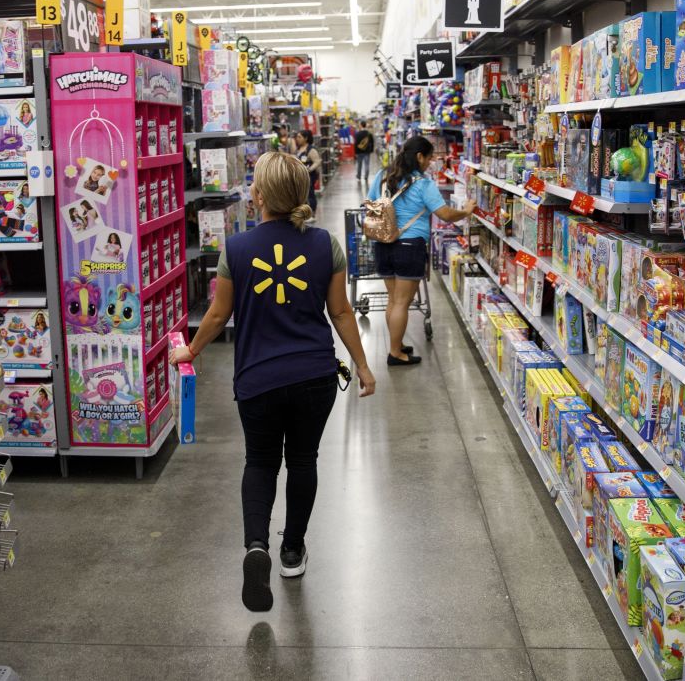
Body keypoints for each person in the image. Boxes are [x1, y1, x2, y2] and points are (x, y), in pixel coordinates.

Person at [170, 152, 375, 613]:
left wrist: (191, 351)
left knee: (260, 462)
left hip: (257, 379)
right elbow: (341, 312)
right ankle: (292, 552)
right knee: (303, 461)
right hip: (314, 377)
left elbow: (218, 314)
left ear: (259, 195)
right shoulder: (325, 245)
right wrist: (362, 365)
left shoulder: (237, 249)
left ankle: (256, 545)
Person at [368, 135, 475, 366]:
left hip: (382, 244)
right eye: (429, 158)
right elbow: (445, 214)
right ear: (419, 157)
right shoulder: (423, 184)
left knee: (393, 300)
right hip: (409, 247)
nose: (430, 163)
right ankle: (395, 353)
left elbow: (370, 203)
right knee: (401, 303)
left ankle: (396, 344)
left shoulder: (383, 176)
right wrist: (466, 211)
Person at [294, 129, 321, 216]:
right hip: (300, 176)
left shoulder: (311, 150)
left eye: (299, 137)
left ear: (305, 138)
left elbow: (317, 161)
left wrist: (309, 169)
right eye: (297, 137)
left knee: (310, 194)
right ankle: (305, 213)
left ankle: (312, 213)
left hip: (309, 176)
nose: (297, 139)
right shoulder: (299, 149)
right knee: (302, 195)